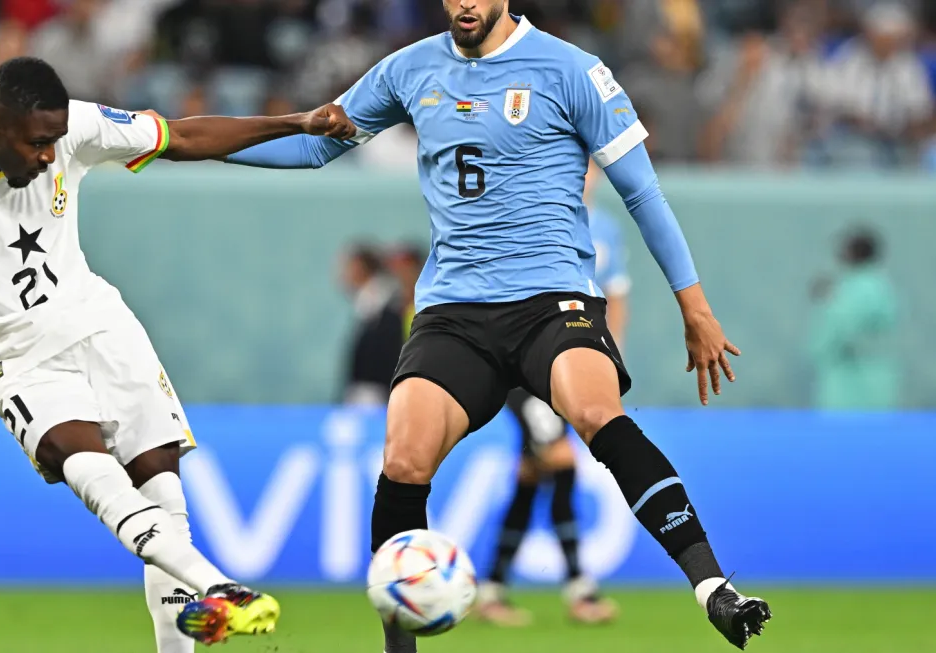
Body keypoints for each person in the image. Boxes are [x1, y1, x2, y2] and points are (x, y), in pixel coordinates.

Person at [222, 2, 770, 650]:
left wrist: (694, 307)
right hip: (454, 312)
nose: (464, 4)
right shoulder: (408, 69)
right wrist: (201, 146)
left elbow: (642, 192)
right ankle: (399, 647)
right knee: (402, 456)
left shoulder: (573, 72)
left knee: (594, 411)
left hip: (552, 300)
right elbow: (314, 145)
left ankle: (712, 588)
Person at [0, 56, 352, 650]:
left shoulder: (72, 126)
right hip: (18, 362)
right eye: (37, 145)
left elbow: (181, 136)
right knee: (100, 482)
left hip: (101, 327)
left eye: (55, 141)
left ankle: (202, 609)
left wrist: (297, 121)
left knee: (164, 495)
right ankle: (222, 586)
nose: (51, 156)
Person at [476, 161, 628, 627]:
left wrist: (607, 360)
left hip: (573, 367)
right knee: (560, 461)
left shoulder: (606, 230)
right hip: (525, 368)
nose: (583, 176)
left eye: (589, 169)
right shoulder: (532, 215)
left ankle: (493, 590)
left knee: (532, 475)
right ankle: (580, 588)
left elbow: (616, 296)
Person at [809, 228, 900, 410]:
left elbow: (837, 330)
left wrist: (828, 298)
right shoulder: (882, 286)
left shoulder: (855, 289)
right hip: (880, 380)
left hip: (850, 382)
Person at [339, 243, 405, 405]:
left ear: (361, 268)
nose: (344, 275)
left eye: (349, 268)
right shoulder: (367, 306)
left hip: (376, 398)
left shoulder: (383, 307)